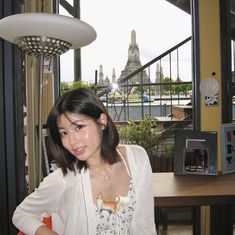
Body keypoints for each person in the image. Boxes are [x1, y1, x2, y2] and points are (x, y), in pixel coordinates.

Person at [12, 87, 157, 235]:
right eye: (64, 133)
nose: (72, 141)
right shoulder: (65, 179)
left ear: (102, 121)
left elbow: (145, 224)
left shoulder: (137, 158)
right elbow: (22, 214)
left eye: (79, 127)